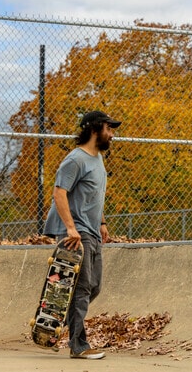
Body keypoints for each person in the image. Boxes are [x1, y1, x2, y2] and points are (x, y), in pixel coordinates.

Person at [43, 110, 120, 360]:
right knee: (82, 287)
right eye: (109, 129)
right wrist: (70, 227)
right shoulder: (75, 160)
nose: (112, 134)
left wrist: (103, 221)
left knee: (94, 286)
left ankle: (57, 327)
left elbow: (93, 195)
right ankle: (79, 345)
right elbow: (59, 193)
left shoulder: (97, 158)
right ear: (95, 129)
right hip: (77, 231)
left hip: (92, 228)